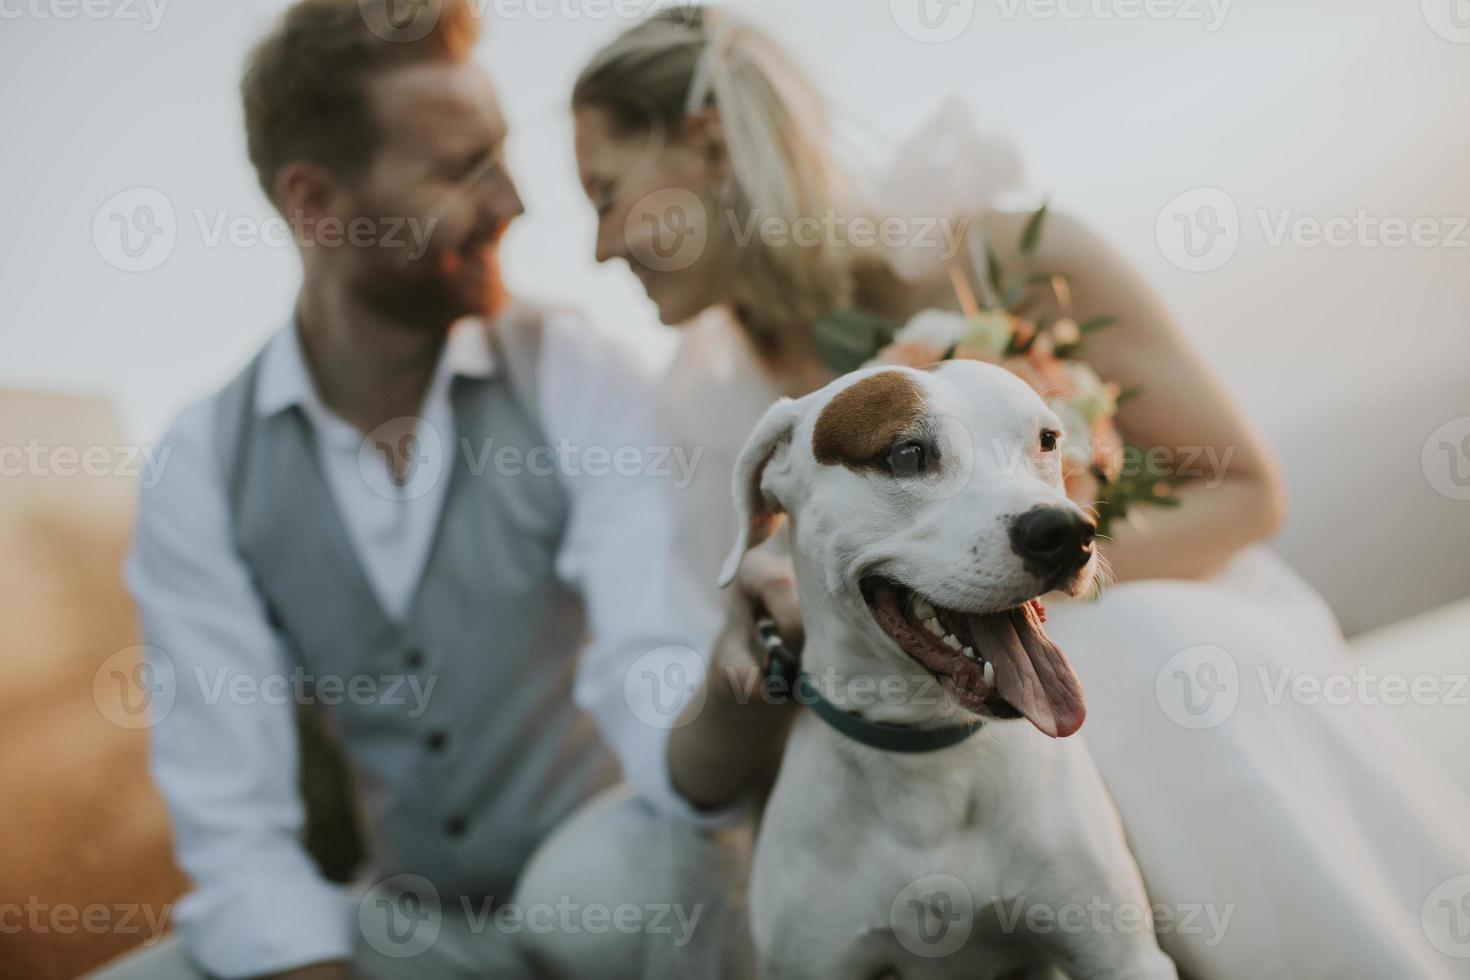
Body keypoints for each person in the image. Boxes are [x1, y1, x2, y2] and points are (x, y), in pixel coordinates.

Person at [569, 7, 1470, 977]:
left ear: (705, 143)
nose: (599, 244)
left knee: (1145, 653)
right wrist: (779, 643)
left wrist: (1021, 564)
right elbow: (719, 715)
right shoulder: (705, 407)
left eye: (607, 192)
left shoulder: (1002, 254)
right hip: (907, 738)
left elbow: (1243, 488)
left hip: (1149, 614)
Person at [95, 2, 785, 978]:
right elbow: (234, 827)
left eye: (499, 154)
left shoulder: (573, 373)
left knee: (654, 870)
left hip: (607, 891)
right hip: (405, 934)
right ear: (318, 205)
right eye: (462, 169)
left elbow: (654, 669)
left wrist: (740, 688)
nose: (513, 200)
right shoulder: (203, 460)